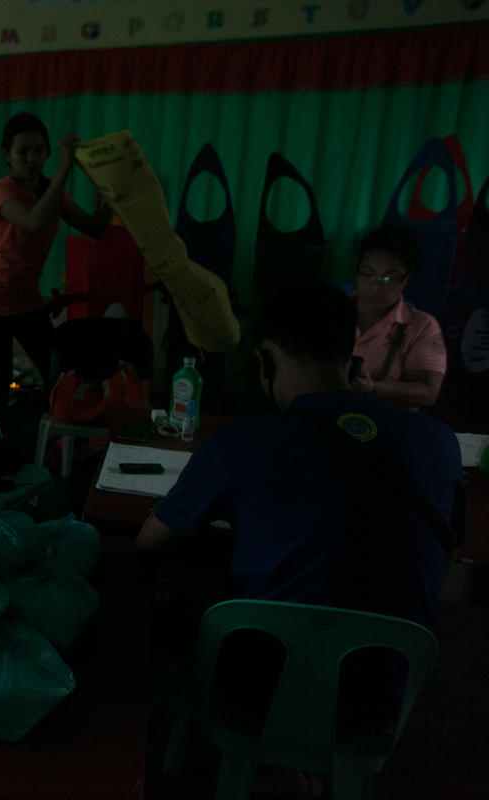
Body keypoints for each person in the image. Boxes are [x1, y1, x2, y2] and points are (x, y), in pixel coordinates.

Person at [136, 284, 466, 789]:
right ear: (350, 355)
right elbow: (450, 546)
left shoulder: (238, 443)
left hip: (258, 697)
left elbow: (148, 543)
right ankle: (314, 751)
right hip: (377, 699)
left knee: (165, 596)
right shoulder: (439, 444)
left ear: (264, 359)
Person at [0, 112, 113, 414]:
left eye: (38, 150)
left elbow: (95, 229)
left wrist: (112, 195)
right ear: (6, 155)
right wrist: (65, 167)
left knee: (58, 370)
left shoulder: (53, 194)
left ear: (48, 152)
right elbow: (33, 222)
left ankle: (51, 436)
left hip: (27, 301)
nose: (31, 159)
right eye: (22, 152)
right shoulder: (3, 190)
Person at [350, 224, 446, 409]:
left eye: (389, 277)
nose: (377, 285)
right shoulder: (330, 310)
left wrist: (372, 387)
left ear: (405, 279)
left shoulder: (420, 326)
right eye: (368, 274)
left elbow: (428, 392)